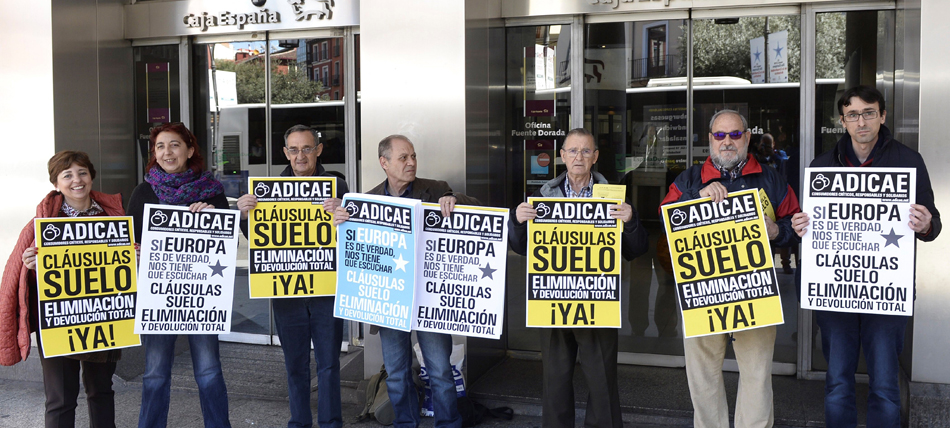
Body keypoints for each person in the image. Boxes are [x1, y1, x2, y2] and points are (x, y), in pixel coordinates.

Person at [791, 85, 941, 428]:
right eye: (853, 115)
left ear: (882, 116)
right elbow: (811, 227)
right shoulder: (822, 165)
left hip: (886, 292)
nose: (862, 122)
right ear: (842, 121)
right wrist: (800, 225)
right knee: (838, 383)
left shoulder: (908, 161)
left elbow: (933, 224)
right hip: (836, 295)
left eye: (869, 113)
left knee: (886, 386)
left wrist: (926, 223)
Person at [660, 110, 800, 428]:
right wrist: (695, 197)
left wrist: (777, 231)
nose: (727, 142)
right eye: (720, 135)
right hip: (703, 296)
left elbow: (796, 222)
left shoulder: (771, 178)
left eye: (735, 134)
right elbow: (666, 219)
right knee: (703, 377)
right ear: (710, 139)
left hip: (755, 295)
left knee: (757, 377)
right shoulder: (690, 179)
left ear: (747, 138)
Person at [333, 134, 478, 428]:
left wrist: (456, 200)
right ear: (383, 163)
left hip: (430, 299)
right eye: (403, 158)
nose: (411, 163)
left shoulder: (436, 188)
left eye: (413, 156)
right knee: (397, 372)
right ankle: (405, 423)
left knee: (439, 369)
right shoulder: (368, 200)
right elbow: (355, 250)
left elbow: (476, 206)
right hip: (390, 300)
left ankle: (449, 424)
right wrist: (343, 221)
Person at [508, 128, 649, 428]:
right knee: (555, 381)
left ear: (595, 157)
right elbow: (522, 248)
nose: (578, 157)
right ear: (562, 156)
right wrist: (518, 223)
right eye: (572, 151)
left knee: (602, 382)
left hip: (597, 302)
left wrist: (632, 221)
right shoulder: (543, 196)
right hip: (554, 302)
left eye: (586, 151)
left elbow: (635, 250)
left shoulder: (613, 198)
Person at [236, 125, 348, 428]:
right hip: (287, 294)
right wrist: (246, 216)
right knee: (295, 364)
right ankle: (298, 422)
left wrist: (346, 212)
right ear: (285, 153)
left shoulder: (337, 186)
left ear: (319, 150)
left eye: (307, 148)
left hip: (327, 291)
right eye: (294, 149)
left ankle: (330, 423)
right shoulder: (269, 191)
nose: (301, 155)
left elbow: (354, 233)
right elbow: (262, 241)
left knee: (328, 364)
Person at [1, 151, 122, 428]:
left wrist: (133, 256)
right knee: (60, 399)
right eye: (67, 175)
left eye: (82, 173)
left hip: (104, 317)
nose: (76, 180)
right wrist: (30, 266)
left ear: (91, 177)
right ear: (56, 183)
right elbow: (16, 279)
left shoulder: (114, 218)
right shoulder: (40, 225)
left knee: (101, 392)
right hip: (58, 320)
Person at [126, 122, 232, 428]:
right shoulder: (143, 191)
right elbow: (129, 242)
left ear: (189, 149)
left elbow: (225, 240)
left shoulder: (212, 192)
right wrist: (137, 250)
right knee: (156, 372)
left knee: (209, 370)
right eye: (160, 146)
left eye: (174, 145)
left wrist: (212, 217)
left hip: (200, 299)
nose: (166, 152)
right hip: (158, 296)